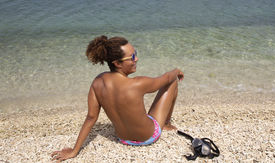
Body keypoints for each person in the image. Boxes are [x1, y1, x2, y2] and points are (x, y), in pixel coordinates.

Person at [51, 35, 184, 162]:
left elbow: (91, 117)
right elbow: (166, 78)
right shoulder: (138, 83)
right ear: (117, 64)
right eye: (132, 57)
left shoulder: (98, 82)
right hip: (149, 136)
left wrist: (74, 151)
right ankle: (165, 124)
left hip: (122, 139)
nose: (136, 59)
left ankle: (163, 124)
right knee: (172, 82)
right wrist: (177, 71)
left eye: (135, 53)